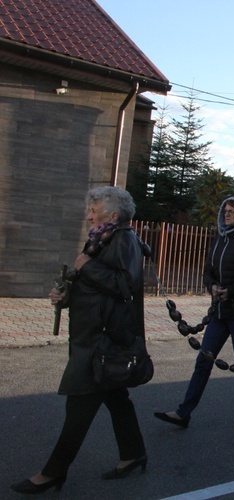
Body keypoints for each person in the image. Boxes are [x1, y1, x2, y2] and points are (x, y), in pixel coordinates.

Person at [11, 187, 148, 494]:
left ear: (113, 215)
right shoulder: (101, 239)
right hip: (92, 337)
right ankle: (134, 453)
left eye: (93, 209)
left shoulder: (125, 240)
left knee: (79, 406)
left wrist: (87, 265)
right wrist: (65, 295)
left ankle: (53, 472)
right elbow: (96, 291)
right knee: (116, 398)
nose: (88, 215)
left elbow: (126, 286)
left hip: (103, 343)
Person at [154, 196, 234, 430]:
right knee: (203, 361)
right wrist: (212, 286)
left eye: (232, 212)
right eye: (225, 211)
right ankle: (183, 413)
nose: (227, 215)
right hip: (218, 312)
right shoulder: (219, 239)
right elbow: (207, 272)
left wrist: (233, 290)